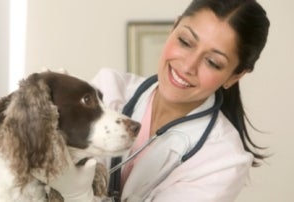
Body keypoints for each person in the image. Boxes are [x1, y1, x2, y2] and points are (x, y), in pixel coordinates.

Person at [37, 0, 270, 201]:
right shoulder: (110, 90)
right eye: (186, 41)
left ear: (235, 75)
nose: (188, 66)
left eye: (213, 62)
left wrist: (77, 196)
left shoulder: (222, 161)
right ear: (174, 27)